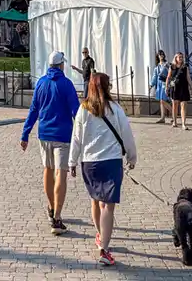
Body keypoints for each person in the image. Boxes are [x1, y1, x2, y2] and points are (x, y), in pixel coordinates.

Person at [69, 73, 137, 266]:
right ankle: (104, 249)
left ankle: (100, 236)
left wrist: (72, 162)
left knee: (96, 201)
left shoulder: (83, 109)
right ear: (107, 88)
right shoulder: (115, 109)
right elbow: (127, 136)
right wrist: (132, 157)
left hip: (90, 162)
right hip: (111, 161)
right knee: (108, 206)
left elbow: (76, 137)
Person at [21, 51, 81, 236]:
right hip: (62, 135)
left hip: (44, 134)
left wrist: (25, 133)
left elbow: (33, 110)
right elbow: (76, 112)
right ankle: (57, 217)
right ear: (61, 65)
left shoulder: (41, 82)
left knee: (47, 170)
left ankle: (51, 207)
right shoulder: (66, 84)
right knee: (60, 173)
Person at [165, 53, 192, 130]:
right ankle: (175, 122)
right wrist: (166, 87)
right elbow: (168, 77)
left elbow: (188, 77)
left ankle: (183, 124)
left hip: (184, 88)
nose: (181, 58)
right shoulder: (172, 67)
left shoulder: (185, 67)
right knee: (175, 105)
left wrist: (191, 86)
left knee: (183, 105)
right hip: (175, 88)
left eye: (182, 57)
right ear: (175, 58)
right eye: (179, 57)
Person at [150, 50, 172, 125]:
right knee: (161, 101)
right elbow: (155, 76)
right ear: (158, 56)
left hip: (164, 84)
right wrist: (151, 85)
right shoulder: (157, 66)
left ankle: (173, 114)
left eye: (162, 54)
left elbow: (170, 74)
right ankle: (163, 117)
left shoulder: (167, 64)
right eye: (160, 54)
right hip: (159, 85)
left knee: (163, 100)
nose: (161, 55)